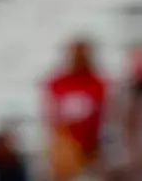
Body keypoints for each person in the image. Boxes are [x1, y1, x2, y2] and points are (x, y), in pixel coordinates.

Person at [41, 39, 106, 180]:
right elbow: (51, 116)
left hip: (93, 146)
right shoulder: (57, 83)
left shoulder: (98, 83)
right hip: (67, 144)